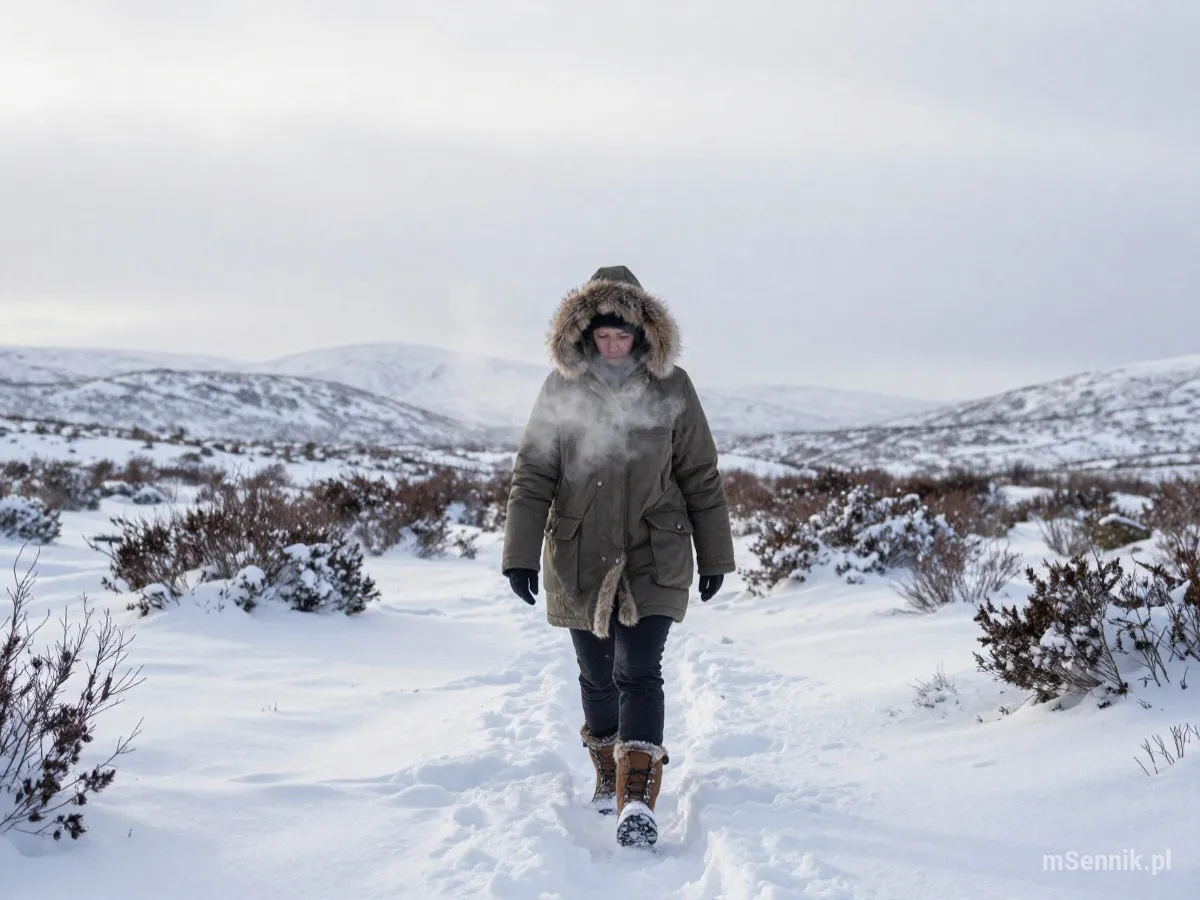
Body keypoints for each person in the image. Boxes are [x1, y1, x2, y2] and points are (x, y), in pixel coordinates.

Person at [501, 265, 735, 848]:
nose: (612, 346)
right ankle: (607, 767)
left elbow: (700, 474)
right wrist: (519, 555)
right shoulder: (561, 389)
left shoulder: (672, 387)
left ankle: (637, 797)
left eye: (621, 336)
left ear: (642, 333)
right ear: (584, 335)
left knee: (639, 671)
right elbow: (534, 474)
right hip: (580, 555)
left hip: (655, 553)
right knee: (598, 676)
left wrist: (715, 556)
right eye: (602, 336)